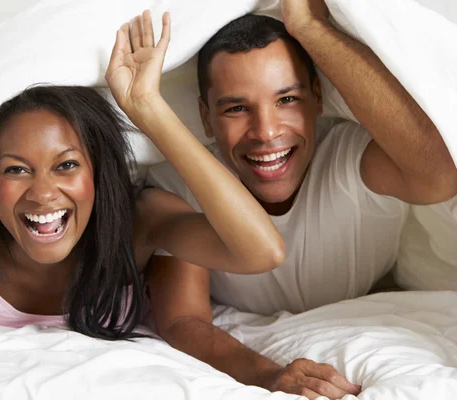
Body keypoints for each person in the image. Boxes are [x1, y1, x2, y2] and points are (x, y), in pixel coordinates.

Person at [0, 11, 284, 340]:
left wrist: (148, 108)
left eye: (66, 165)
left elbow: (262, 252)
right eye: (16, 169)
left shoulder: (143, 221)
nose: (43, 194)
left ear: (98, 174)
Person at [146, 1, 457, 398]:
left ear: (317, 96)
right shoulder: (182, 185)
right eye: (237, 108)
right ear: (206, 119)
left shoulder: (350, 157)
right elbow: (182, 319)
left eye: (286, 100)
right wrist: (268, 376)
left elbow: (439, 175)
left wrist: (311, 26)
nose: (266, 132)